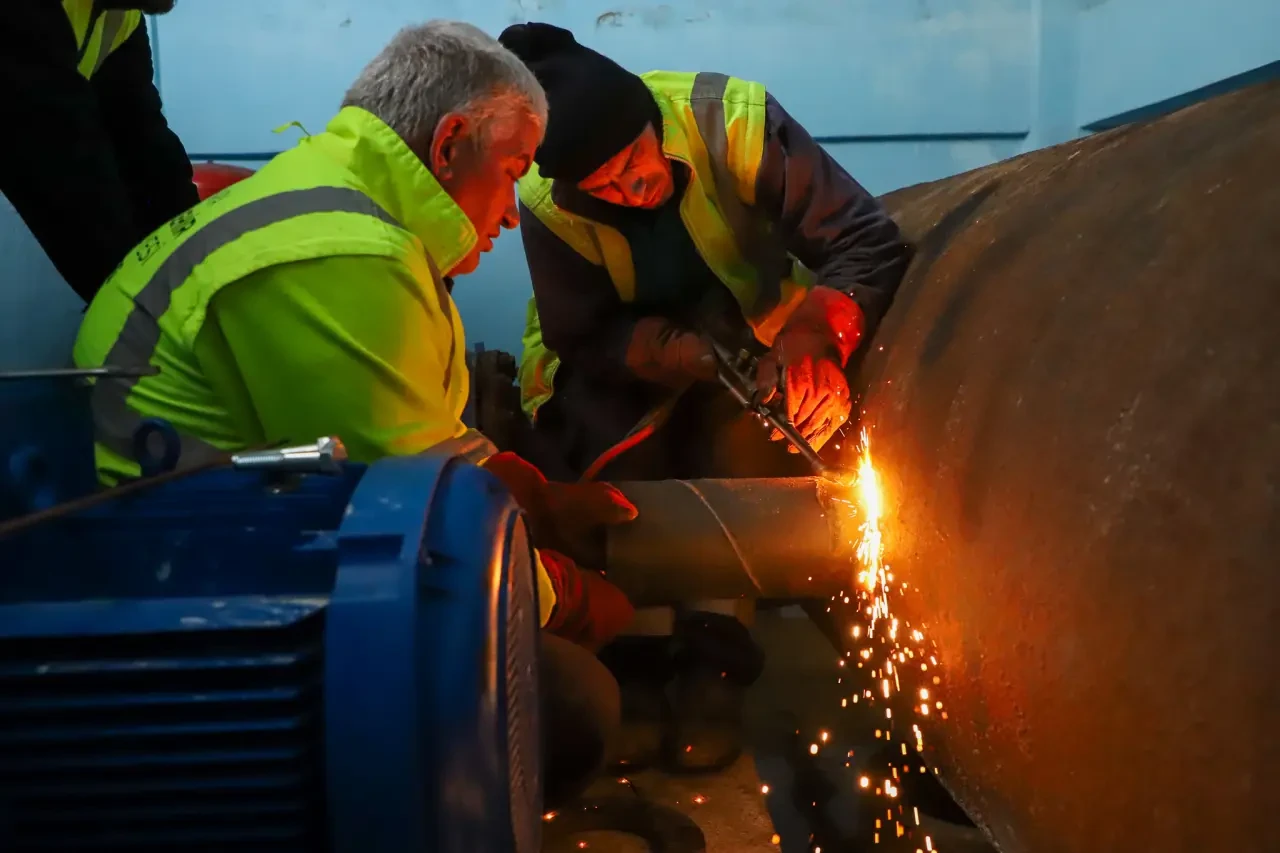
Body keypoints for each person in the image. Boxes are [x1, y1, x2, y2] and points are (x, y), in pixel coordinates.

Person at [73, 20, 635, 809]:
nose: (512, 212)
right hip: (195, 586)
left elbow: (412, 432)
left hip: (217, 533)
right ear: (448, 146)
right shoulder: (340, 254)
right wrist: (563, 598)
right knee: (574, 701)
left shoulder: (336, 203)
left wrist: (538, 495)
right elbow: (417, 514)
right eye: (510, 173)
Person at [499, 22, 914, 773]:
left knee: (749, 456)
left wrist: (818, 335)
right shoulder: (544, 197)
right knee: (609, 468)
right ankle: (632, 668)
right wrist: (671, 352)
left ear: (650, 124)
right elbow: (583, 333)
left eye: (634, 161)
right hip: (613, 360)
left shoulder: (736, 120)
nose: (632, 188)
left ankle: (715, 668)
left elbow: (865, 239)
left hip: (760, 332)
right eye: (604, 186)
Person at [0, 2, 199, 303]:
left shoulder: (120, 14)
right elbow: (71, 187)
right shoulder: (21, 14)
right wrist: (155, 311)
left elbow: (149, 153)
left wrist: (201, 260)